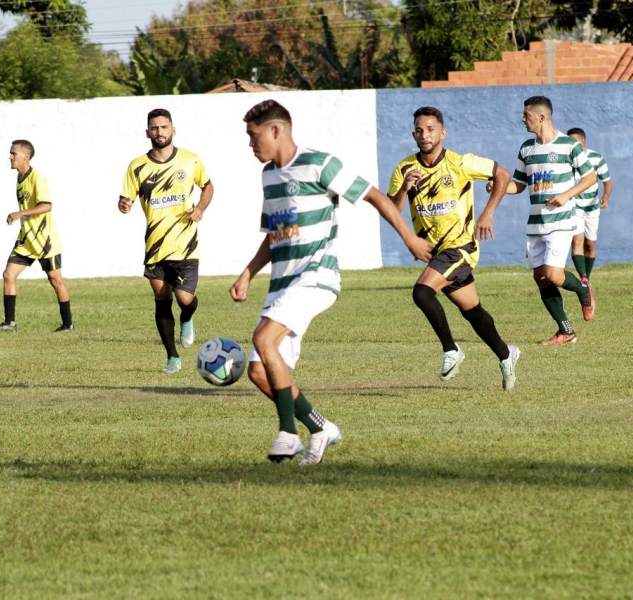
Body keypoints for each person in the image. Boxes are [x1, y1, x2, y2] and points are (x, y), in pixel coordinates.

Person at [230, 99, 432, 465]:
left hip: (316, 276)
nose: (250, 144)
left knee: (263, 339)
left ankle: (288, 434)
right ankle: (320, 428)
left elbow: (375, 196)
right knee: (259, 371)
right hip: (282, 284)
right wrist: (248, 272)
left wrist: (410, 240)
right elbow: (275, 233)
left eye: (253, 135)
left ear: (275, 130)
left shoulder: (319, 164)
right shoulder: (269, 176)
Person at [387, 106, 520, 390]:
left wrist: (488, 213)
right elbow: (392, 211)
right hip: (436, 254)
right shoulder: (404, 168)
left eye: (430, 129)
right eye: (419, 130)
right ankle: (506, 354)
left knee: (422, 292)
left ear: (443, 133)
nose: (425, 135)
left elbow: (503, 174)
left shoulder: (460, 163)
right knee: (473, 311)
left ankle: (451, 349)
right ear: (413, 134)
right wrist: (403, 189)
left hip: (461, 247)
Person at [119, 108, 214, 374]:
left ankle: (188, 317)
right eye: (154, 128)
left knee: (184, 298)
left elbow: (208, 186)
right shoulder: (137, 166)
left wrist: (200, 209)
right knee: (162, 298)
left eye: (163, 127)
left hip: (185, 244)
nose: (159, 132)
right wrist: (124, 205)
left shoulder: (190, 160)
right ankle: (172, 357)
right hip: (155, 246)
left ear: (173, 129)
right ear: (147, 132)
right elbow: (125, 198)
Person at [495, 96, 596, 345]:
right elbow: (519, 185)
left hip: (561, 221)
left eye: (526, 115)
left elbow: (590, 177)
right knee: (540, 277)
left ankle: (583, 288)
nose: (522, 119)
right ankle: (566, 331)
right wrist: (499, 187)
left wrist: (566, 195)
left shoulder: (568, 146)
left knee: (552, 274)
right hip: (535, 224)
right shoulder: (526, 149)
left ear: (541, 117)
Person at [0, 140, 73, 333]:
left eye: (14, 153)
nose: (10, 157)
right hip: (27, 240)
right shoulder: (20, 178)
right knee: (8, 274)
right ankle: (10, 323)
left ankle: (67, 324)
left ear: (26, 157)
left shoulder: (37, 177)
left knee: (55, 280)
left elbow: (47, 205)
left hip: (45, 240)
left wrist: (19, 214)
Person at [565, 127, 612, 306]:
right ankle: (583, 279)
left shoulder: (596, 158)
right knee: (577, 241)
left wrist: (605, 197)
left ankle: (587, 278)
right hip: (574, 206)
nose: (572, 145)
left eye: (575, 142)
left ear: (583, 141)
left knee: (590, 244)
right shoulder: (566, 160)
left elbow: (607, 182)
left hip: (592, 208)